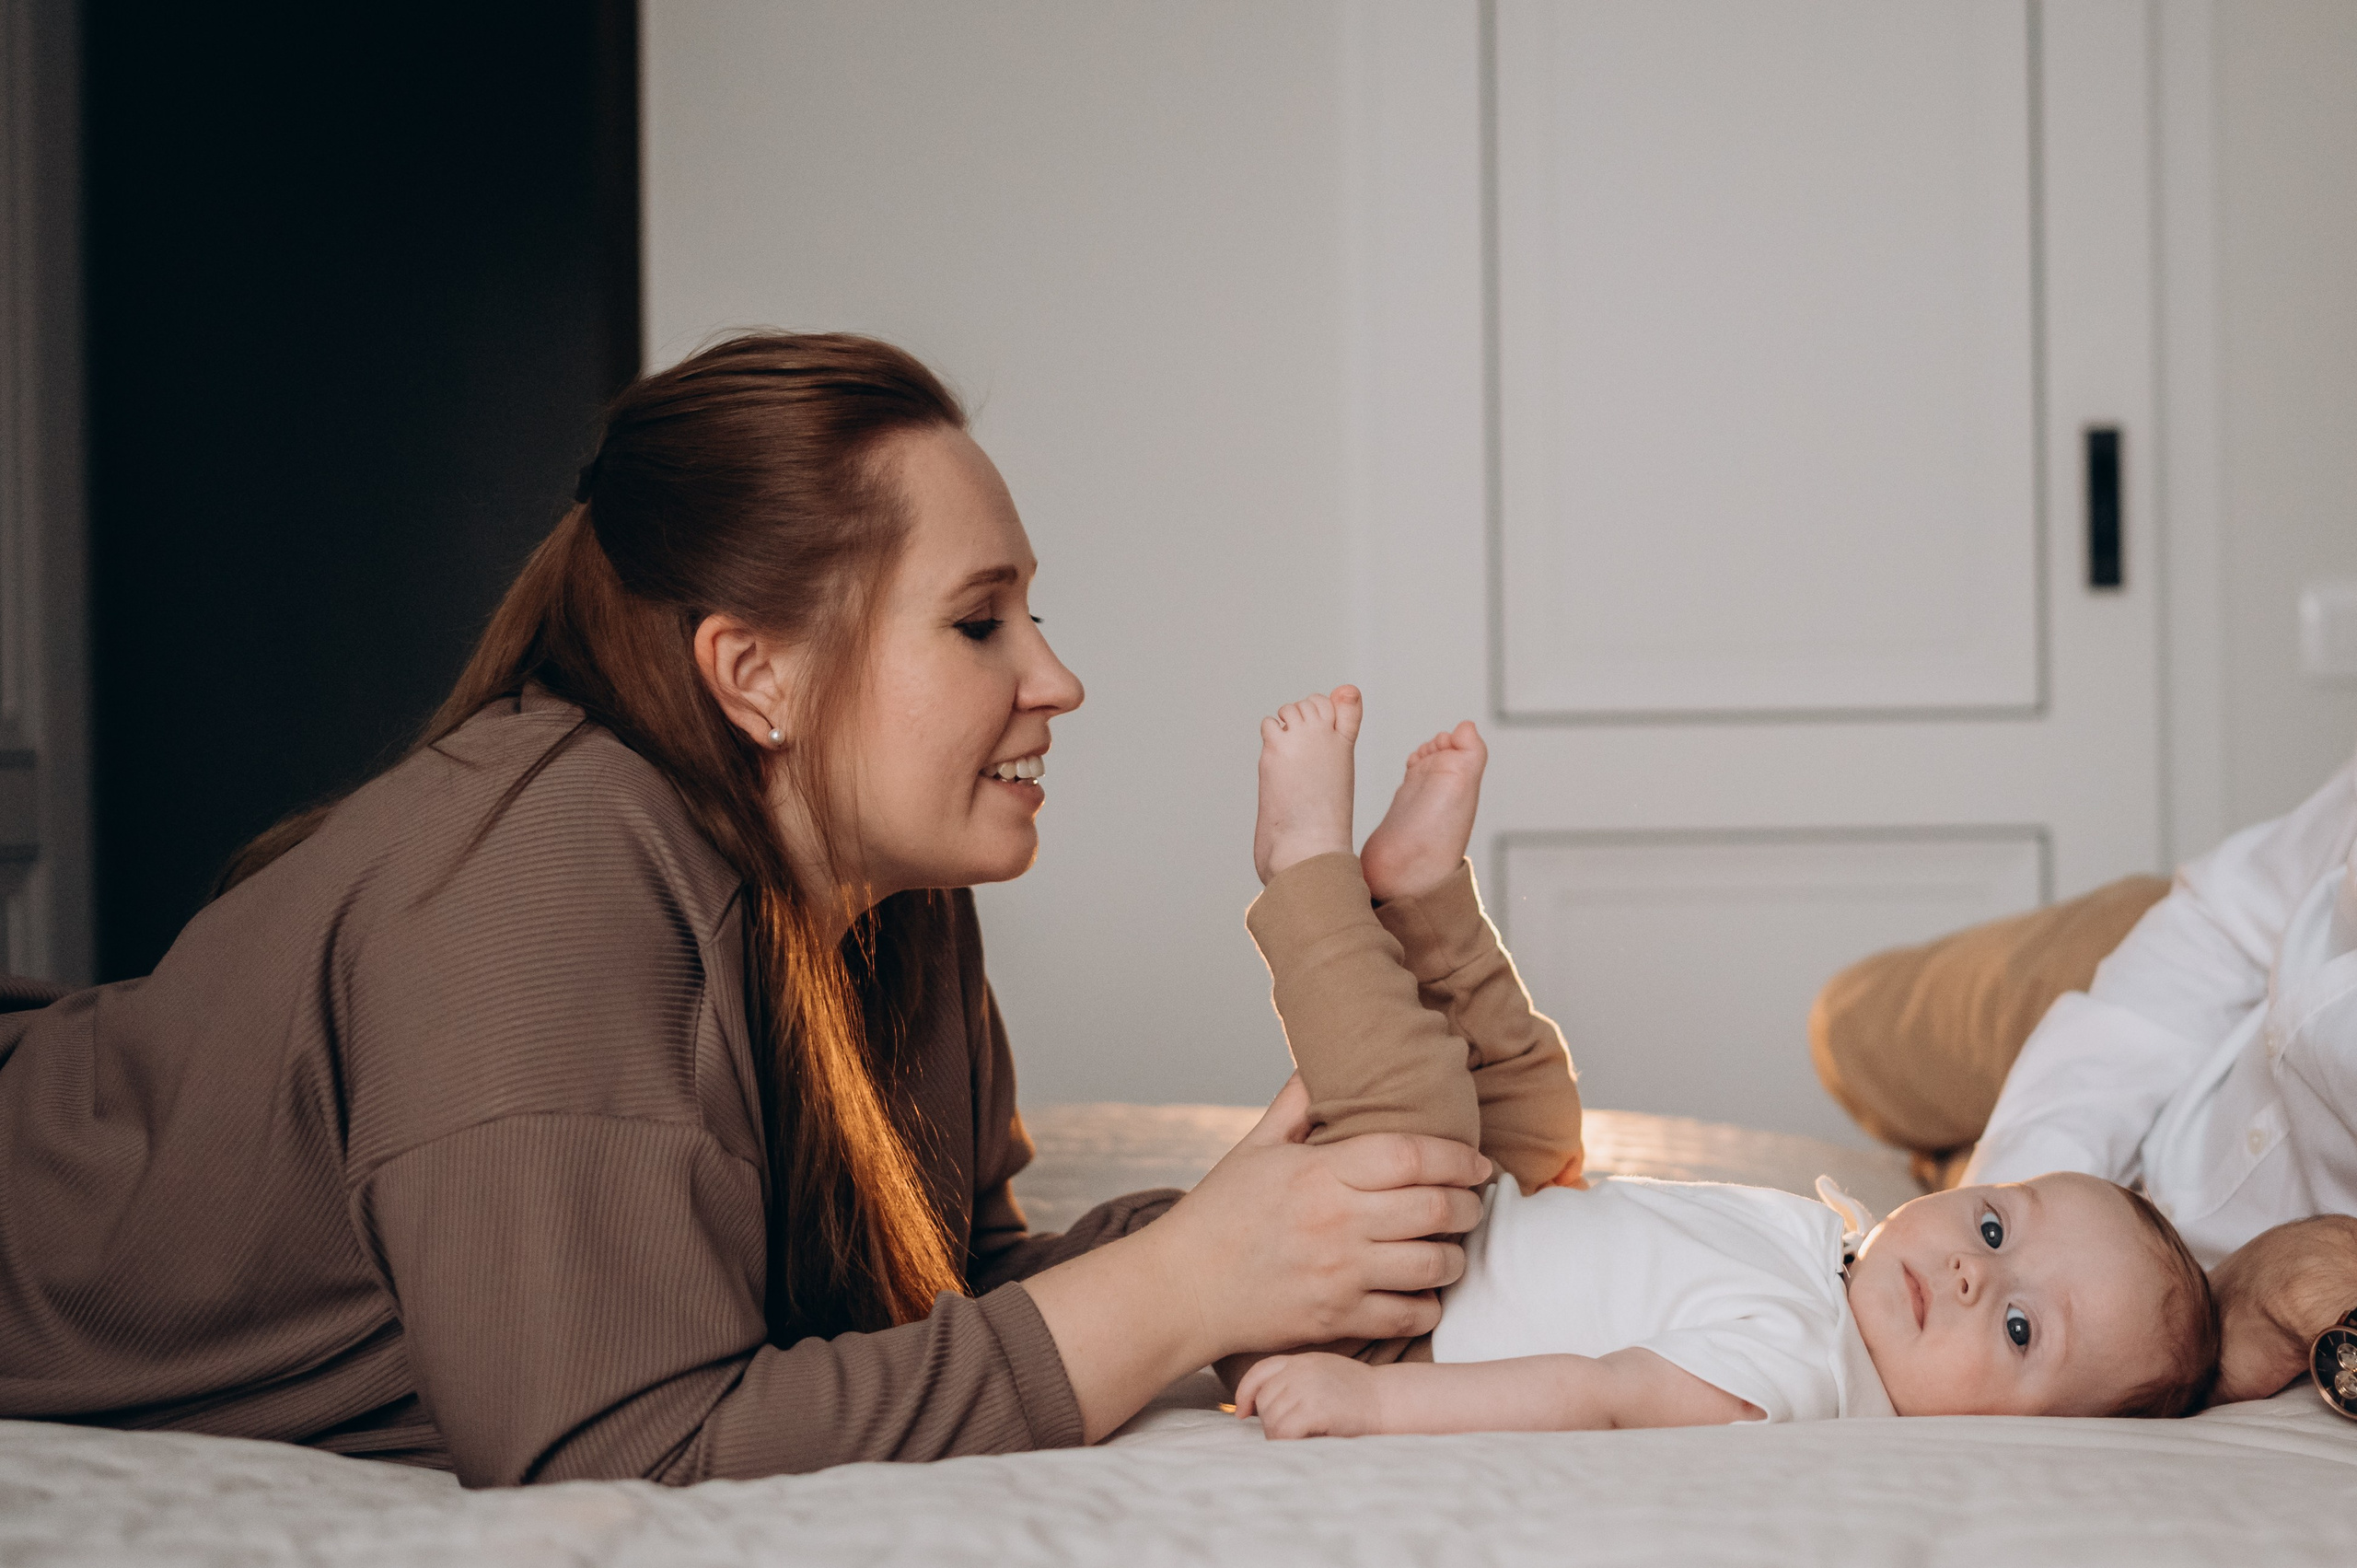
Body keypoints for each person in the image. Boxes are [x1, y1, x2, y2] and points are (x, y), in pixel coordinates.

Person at [0, 333, 1495, 1486]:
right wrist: (1178, 1286)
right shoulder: (536, 878)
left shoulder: (881, 882)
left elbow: (921, 1304)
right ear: (755, 675)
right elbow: (619, 1449)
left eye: (1037, 613)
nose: (1055, 679)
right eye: (980, 621)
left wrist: (1252, 1240)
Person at [1227, 688, 2218, 1438]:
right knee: (1537, 1100)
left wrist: (1371, 1397)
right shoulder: (1844, 1269)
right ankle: (1422, 897)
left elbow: (1601, 1394)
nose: (1968, 1270)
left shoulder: (1803, 1369)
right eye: (1995, 1222)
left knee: (1418, 1112)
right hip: (1492, 1225)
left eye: (2016, 1329)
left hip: (1389, 1307)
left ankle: (1306, 867)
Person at [1962, 753, 2357, 1404]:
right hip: (2148, 1036)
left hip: (2157, 1173)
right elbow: (2224, 922)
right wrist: (2004, 1207)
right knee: (1855, 1022)